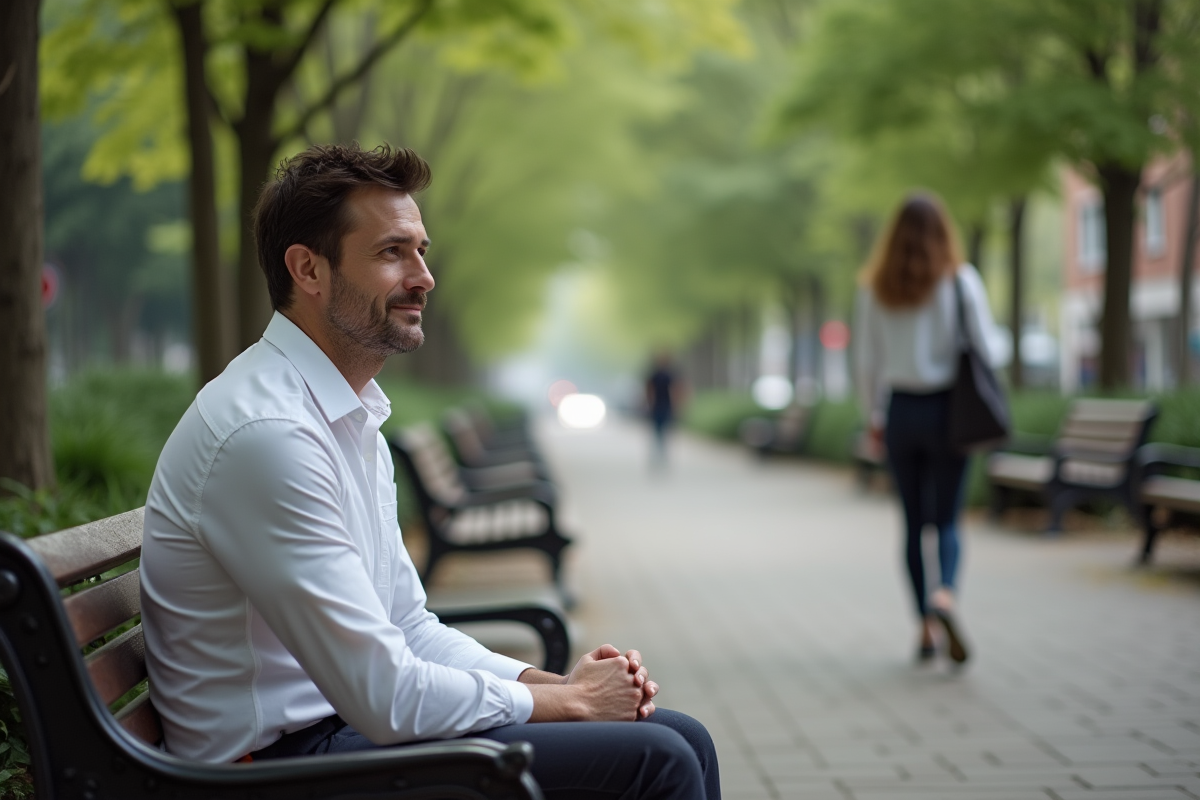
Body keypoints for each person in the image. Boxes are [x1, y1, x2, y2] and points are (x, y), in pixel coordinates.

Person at [141, 143, 720, 800]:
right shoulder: (268, 435)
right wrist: (575, 705)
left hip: (332, 737)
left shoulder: (343, 414)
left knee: (683, 737)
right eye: (392, 252)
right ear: (307, 269)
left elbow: (410, 629)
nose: (424, 276)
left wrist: (553, 686)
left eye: (422, 250)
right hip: (269, 770)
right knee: (657, 760)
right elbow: (386, 696)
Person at [853, 192, 1003, 665]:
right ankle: (946, 598)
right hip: (949, 413)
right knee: (949, 519)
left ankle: (922, 626)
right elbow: (988, 349)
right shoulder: (960, 281)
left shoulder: (875, 287)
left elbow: (865, 363)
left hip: (900, 413)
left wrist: (873, 418)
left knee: (913, 525)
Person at [645, 351, 683, 466]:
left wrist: (676, 404)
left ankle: (661, 453)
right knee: (659, 431)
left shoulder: (668, 375)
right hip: (659, 406)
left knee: (662, 431)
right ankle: (660, 453)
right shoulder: (656, 374)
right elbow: (650, 390)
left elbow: (676, 390)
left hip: (665, 406)